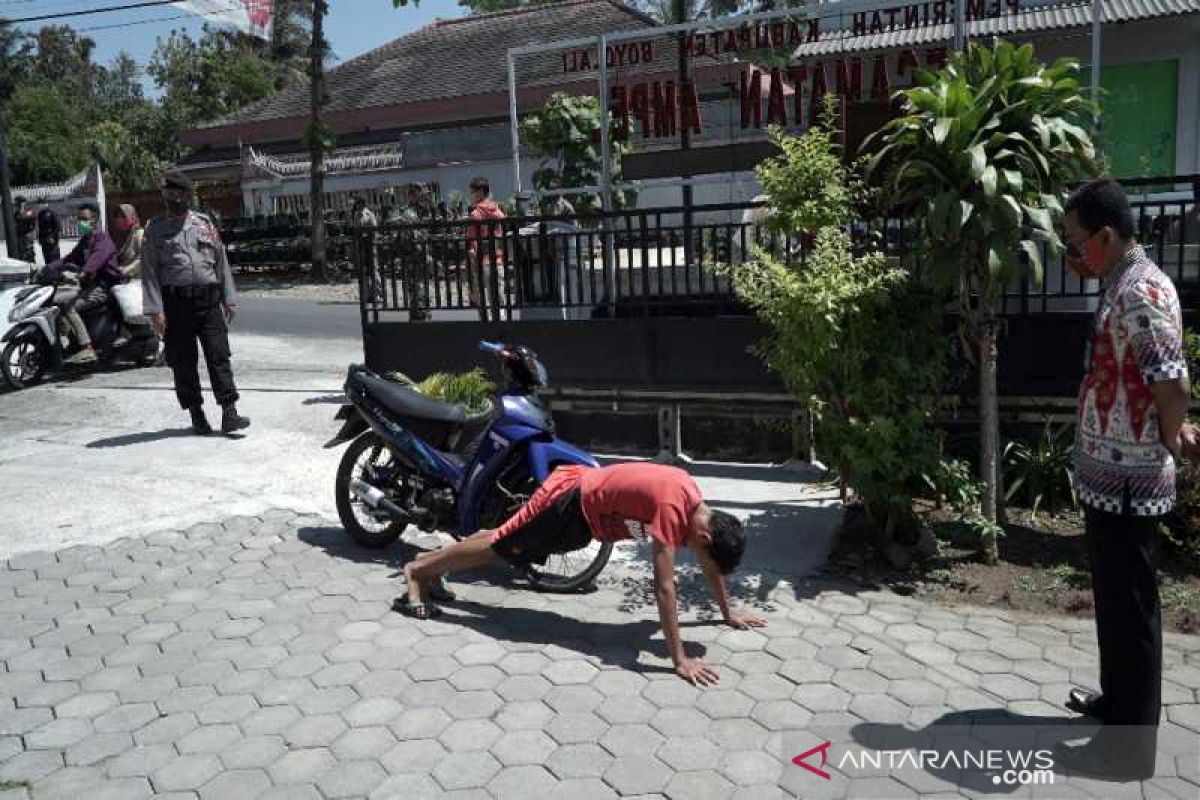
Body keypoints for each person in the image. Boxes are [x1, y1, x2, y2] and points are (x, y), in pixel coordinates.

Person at [1055, 179, 1194, 780]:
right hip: (1106, 472)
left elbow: (1171, 380)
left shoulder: (1144, 290)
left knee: (1133, 606)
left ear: (1107, 236)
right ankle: (1118, 704)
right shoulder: (1119, 281)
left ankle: (1130, 752)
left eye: (1078, 243)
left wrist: (1173, 435)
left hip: (1133, 477)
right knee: (1112, 599)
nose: (1073, 255)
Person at [399, 462, 767, 686]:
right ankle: (418, 572)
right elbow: (664, 587)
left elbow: (710, 563)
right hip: (568, 506)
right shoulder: (674, 510)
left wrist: (727, 613)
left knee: (504, 537)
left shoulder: (693, 498)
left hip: (576, 500)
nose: (696, 557)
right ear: (705, 535)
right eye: (700, 552)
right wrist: (679, 660)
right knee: (501, 546)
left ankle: (431, 562)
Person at [142, 169, 250, 436]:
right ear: (164, 195)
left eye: (179, 193)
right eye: (169, 193)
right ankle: (196, 413)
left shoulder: (204, 223)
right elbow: (149, 271)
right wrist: (156, 310)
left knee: (219, 355)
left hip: (208, 301)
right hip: (176, 305)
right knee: (183, 361)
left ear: (187, 195)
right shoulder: (154, 229)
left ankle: (229, 412)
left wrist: (229, 298)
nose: (174, 198)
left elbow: (220, 259)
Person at [46, 202, 121, 365]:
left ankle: (87, 348)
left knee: (69, 306)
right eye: (78, 219)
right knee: (55, 301)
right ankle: (74, 344)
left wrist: (83, 272)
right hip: (88, 286)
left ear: (94, 220)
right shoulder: (85, 241)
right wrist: (47, 268)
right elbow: (68, 259)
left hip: (103, 287)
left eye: (84, 219)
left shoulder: (103, 240)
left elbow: (95, 261)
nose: (80, 222)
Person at [465, 177, 506, 321]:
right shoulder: (498, 212)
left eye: (472, 192)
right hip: (498, 257)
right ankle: (501, 320)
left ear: (481, 192)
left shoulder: (475, 214)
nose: (471, 195)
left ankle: (485, 323)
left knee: (481, 294)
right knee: (498, 294)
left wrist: (473, 255)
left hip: (482, 259)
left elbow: (471, 239)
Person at [114, 204, 145, 280]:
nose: (119, 219)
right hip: (123, 279)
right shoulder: (119, 237)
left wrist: (127, 269)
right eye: (117, 217)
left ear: (132, 217)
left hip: (137, 281)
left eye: (123, 216)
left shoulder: (139, 234)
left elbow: (143, 258)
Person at [12, 197, 38, 263]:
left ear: (22, 203)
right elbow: (15, 222)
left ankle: (32, 267)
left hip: (27, 235)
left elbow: (32, 221)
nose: (16, 204)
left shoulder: (29, 211)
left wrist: (31, 234)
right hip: (20, 236)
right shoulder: (17, 212)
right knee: (21, 253)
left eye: (17, 203)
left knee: (29, 253)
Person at [36, 200, 60, 266]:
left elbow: (58, 226)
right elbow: (40, 227)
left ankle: (56, 272)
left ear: (46, 204)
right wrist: (39, 238)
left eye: (41, 204)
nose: (40, 205)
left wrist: (52, 237)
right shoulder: (40, 214)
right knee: (46, 257)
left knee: (54, 257)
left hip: (51, 238)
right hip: (44, 238)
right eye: (39, 204)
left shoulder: (52, 213)